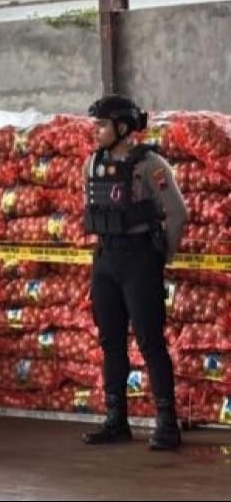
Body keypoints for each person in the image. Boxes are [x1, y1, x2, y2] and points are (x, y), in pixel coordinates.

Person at [81, 95, 187, 451]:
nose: (96, 131)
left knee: (150, 342)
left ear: (122, 127)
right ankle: (116, 420)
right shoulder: (92, 164)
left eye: (102, 125)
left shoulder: (150, 165)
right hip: (105, 260)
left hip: (139, 259)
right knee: (110, 342)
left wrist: (161, 256)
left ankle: (167, 424)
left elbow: (177, 213)